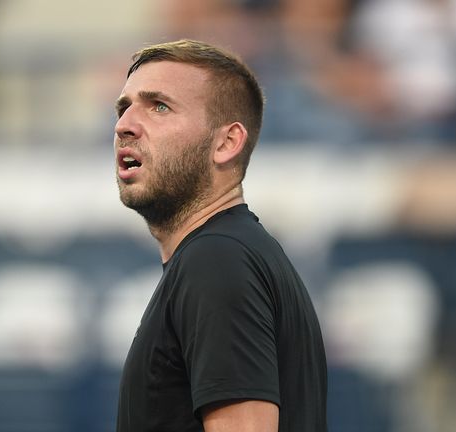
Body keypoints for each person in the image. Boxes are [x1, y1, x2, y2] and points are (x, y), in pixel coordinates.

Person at [112, 39, 327, 432]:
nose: (124, 125)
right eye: (124, 107)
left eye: (159, 106)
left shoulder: (216, 260)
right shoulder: (229, 253)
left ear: (226, 143)